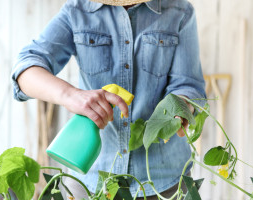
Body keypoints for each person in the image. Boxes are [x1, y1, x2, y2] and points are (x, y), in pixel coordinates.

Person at [11, 0, 206, 198]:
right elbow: (25, 68)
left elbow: (188, 85)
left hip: (163, 180)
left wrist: (182, 108)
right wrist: (71, 95)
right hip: (89, 178)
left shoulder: (180, 11)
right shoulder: (77, 10)